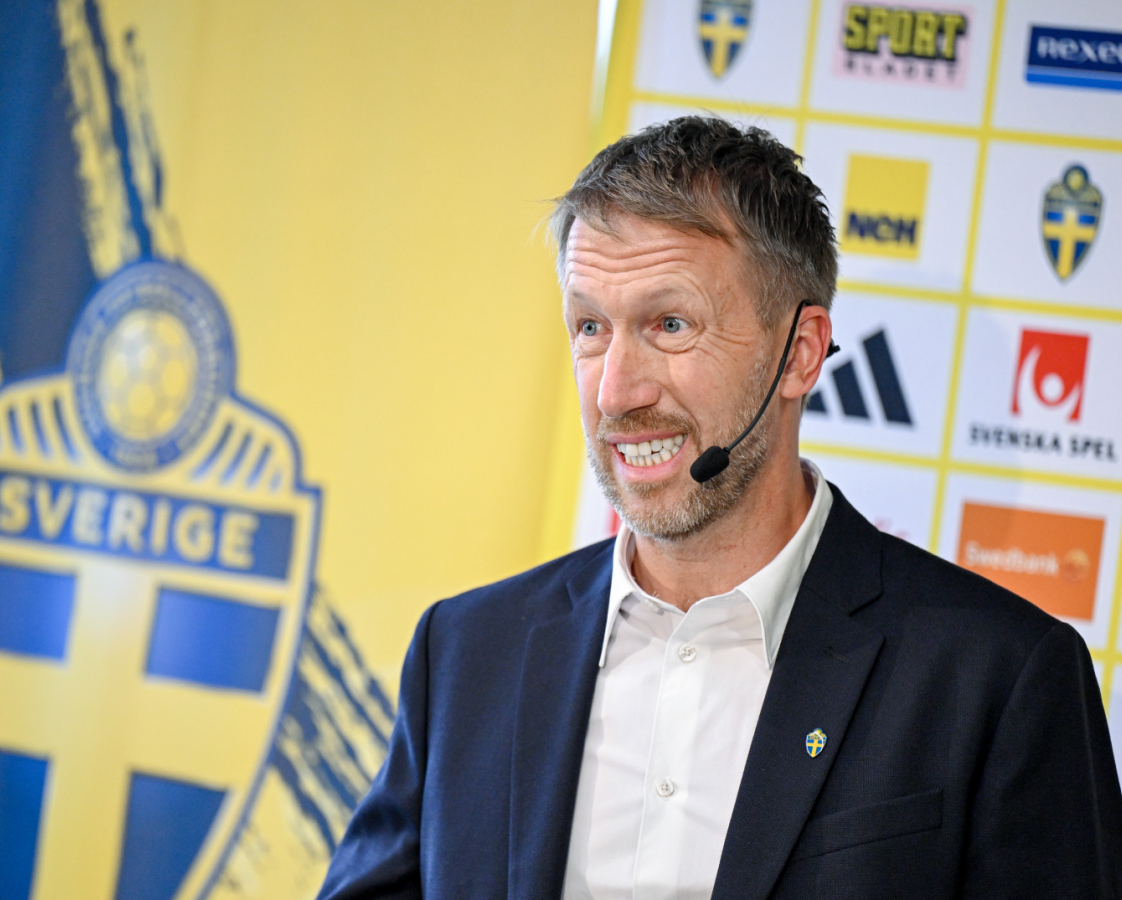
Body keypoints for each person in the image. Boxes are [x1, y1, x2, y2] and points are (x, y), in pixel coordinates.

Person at [317, 116, 1122, 899]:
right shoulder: (467, 652)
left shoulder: (999, 677)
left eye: (670, 325)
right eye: (590, 327)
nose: (615, 392)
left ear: (799, 354)